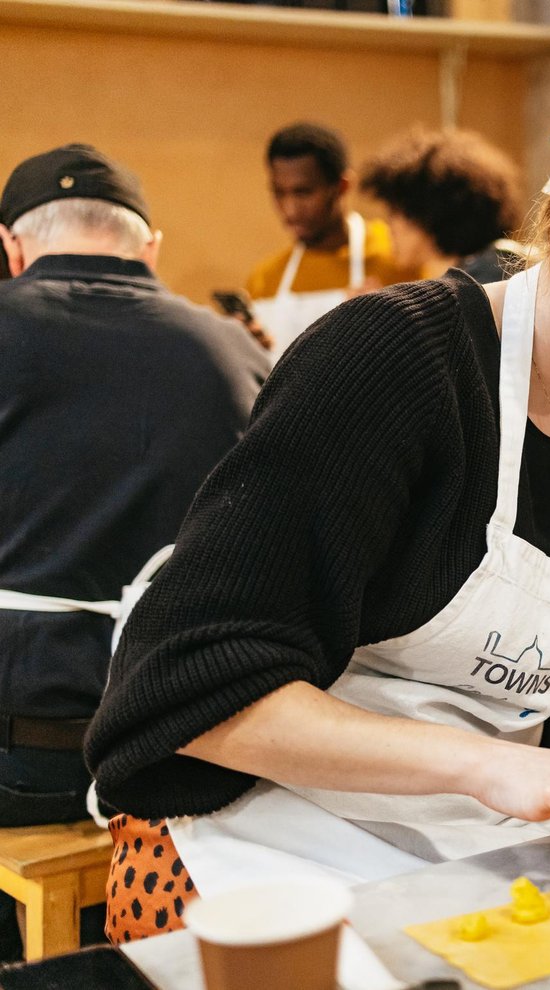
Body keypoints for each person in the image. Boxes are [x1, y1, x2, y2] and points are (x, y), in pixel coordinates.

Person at [87, 67, 550, 943]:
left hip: (456, 854)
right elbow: (183, 689)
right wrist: (485, 767)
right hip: (254, 854)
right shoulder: (393, 362)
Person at [0, 144, 267, 959]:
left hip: (21, 760)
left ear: (11, 247)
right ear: (150, 246)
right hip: (185, 757)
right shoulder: (239, 352)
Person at [245, 122, 417, 357]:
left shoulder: (400, 256)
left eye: (303, 192)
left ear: (342, 187)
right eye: (278, 193)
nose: (290, 210)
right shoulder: (264, 280)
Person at [359, 125, 527, 284]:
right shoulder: (474, 276)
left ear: (430, 211)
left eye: (396, 212)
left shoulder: (491, 275)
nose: (390, 225)